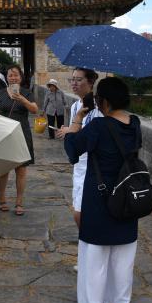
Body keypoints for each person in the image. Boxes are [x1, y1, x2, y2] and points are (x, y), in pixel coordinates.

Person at [63, 76, 139, 303]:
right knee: (123, 256)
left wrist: (77, 121)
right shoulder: (135, 124)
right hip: (126, 197)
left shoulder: (98, 127)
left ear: (104, 102)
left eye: (97, 99)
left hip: (99, 197)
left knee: (93, 257)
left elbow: (72, 149)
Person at [56, 68, 102, 228]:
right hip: (79, 165)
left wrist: (71, 132)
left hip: (93, 166)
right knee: (78, 211)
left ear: (90, 82)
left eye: (79, 79)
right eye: (72, 79)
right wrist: (67, 131)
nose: (74, 83)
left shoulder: (99, 108)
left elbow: (95, 136)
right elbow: (74, 134)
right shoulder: (76, 106)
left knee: (80, 214)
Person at [0, 65, 39, 216]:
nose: (13, 78)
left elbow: (34, 109)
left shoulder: (27, 93)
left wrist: (22, 99)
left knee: (21, 170)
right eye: (10, 75)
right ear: (7, 77)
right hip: (3, 135)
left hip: (21, 134)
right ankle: (2, 199)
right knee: (3, 169)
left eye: (16, 75)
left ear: (21, 77)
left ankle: (19, 202)